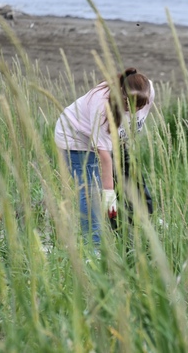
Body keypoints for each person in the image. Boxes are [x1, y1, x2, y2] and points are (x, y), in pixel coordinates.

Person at [54, 68, 155, 244]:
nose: (133, 111)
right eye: (128, 106)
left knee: (131, 176)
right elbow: (105, 156)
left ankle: (139, 224)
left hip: (115, 139)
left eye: (138, 106)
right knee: (91, 192)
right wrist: (108, 193)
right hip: (76, 140)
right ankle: (94, 247)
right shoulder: (101, 106)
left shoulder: (147, 91)